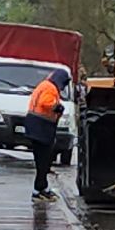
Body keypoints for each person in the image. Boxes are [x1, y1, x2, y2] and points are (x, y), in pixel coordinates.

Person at [23, 68, 70, 201]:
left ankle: (43, 187)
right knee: (43, 160)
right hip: (41, 127)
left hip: (35, 125)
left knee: (42, 160)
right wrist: (58, 107)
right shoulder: (51, 88)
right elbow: (46, 102)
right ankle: (38, 190)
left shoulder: (44, 85)